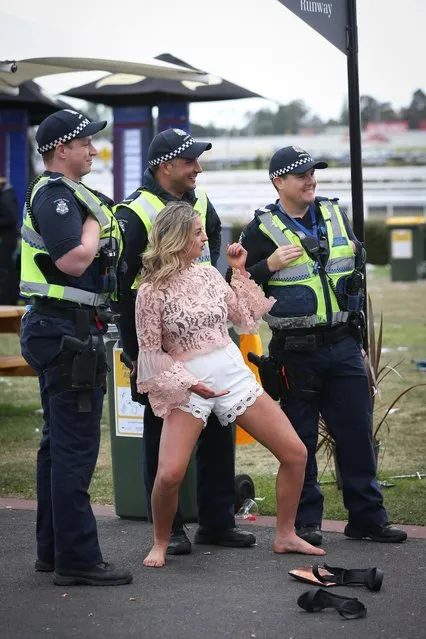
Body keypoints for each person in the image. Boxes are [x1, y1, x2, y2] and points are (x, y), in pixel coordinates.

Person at [135, 200, 326, 567]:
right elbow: (150, 355)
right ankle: (160, 541)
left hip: (232, 374)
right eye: (196, 231)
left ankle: (286, 535)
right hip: (188, 385)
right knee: (170, 473)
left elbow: (245, 318)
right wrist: (191, 384)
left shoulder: (209, 274)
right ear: (175, 238)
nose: (205, 237)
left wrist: (238, 272)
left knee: (295, 453)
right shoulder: (150, 291)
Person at [240, 145, 407, 547]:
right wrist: (268, 267)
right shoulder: (258, 230)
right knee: (300, 443)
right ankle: (304, 524)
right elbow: (240, 297)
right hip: (295, 352)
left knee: (356, 435)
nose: (311, 179)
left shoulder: (335, 214)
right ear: (278, 182)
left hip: (343, 344)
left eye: (313, 172)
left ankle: (367, 518)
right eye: (301, 174)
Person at [114, 128, 256, 555]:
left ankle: (216, 521)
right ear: (164, 166)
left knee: (218, 427)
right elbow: (126, 290)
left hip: (205, 341)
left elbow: (207, 270)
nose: (198, 168)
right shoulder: (134, 211)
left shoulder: (202, 202)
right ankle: (171, 529)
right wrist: (140, 357)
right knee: (162, 436)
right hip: (159, 348)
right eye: (189, 161)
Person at [19, 109, 133, 586]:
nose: (93, 149)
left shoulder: (64, 193)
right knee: (74, 451)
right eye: (85, 142)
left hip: (60, 327)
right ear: (60, 149)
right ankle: (78, 560)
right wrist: (91, 224)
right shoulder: (58, 197)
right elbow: (72, 260)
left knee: (56, 448)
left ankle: (53, 550)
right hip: (64, 330)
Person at [0, 177, 20, 305]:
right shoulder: (7, 195)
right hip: (7, 241)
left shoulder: (6, 197)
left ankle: (6, 301)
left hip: (6, 242)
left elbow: (11, 218)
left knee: (5, 272)